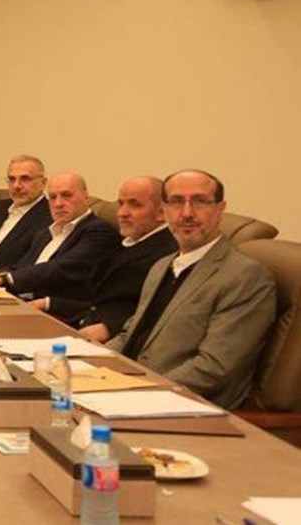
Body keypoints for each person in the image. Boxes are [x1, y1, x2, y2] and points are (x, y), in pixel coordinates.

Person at [105, 170, 277, 409]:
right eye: (176, 202)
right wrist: (86, 365)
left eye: (200, 201)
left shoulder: (245, 276)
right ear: (164, 210)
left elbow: (214, 368)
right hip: (126, 390)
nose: (187, 213)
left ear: (220, 209)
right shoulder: (162, 266)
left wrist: (136, 393)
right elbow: (128, 334)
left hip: (183, 407)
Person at [50, 177, 178, 342]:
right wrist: (50, 303)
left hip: (118, 341)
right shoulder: (127, 241)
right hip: (80, 326)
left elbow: (158, 312)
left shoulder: (169, 253)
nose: (122, 213)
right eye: (121, 204)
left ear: (161, 212)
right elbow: (96, 301)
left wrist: (110, 327)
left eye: (135, 205)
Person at [0, 172, 120, 303]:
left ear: (86, 197)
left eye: (66, 195)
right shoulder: (46, 233)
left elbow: (61, 268)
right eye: (53, 197)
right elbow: (23, 267)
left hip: (54, 311)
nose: (58, 203)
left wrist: (6, 279)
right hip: (19, 301)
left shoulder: (98, 231)